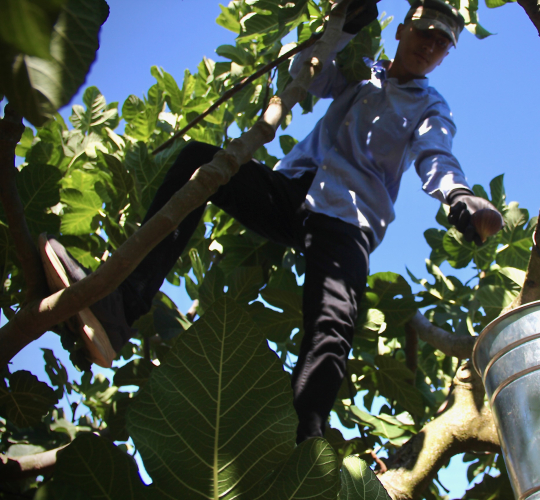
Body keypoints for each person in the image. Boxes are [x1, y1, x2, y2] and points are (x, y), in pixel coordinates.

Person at [40, 0, 503, 444]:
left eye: (442, 44)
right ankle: (123, 304)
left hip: (349, 220)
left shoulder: (430, 107)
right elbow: (304, 73)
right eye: (423, 32)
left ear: (445, 57)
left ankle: (302, 448)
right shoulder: (363, 77)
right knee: (199, 163)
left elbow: (435, 154)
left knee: (331, 326)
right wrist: (343, 27)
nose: (430, 45)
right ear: (401, 30)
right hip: (294, 193)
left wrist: (459, 197)